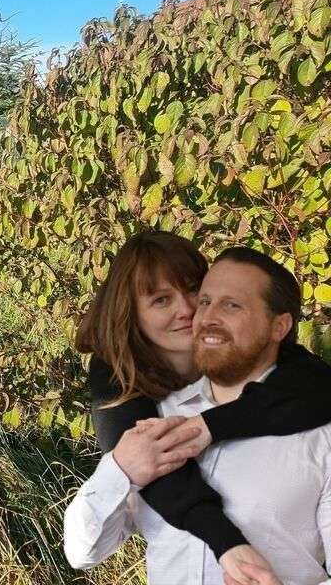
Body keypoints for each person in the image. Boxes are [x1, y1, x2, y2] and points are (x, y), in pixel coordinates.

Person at [66, 233, 331, 583]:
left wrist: (208, 426)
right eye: (162, 300)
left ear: (278, 326)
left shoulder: (316, 425)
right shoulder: (148, 416)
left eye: (197, 292)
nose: (191, 311)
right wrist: (120, 469)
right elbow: (82, 551)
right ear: (134, 317)